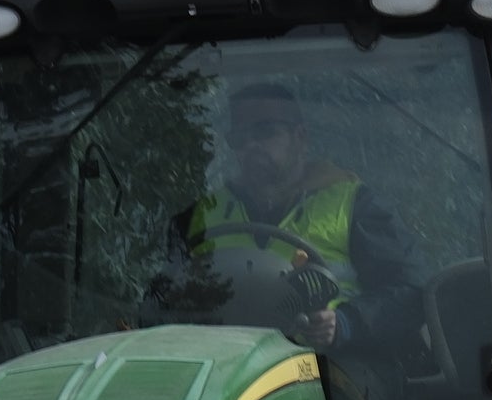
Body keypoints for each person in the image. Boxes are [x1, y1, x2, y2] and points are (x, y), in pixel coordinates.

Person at [177, 80, 422, 355]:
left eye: (265, 132)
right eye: (240, 139)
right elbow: (169, 294)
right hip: (229, 366)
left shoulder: (355, 205)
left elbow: (409, 293)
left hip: (338, 367)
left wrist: (344, 322)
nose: (252, 146)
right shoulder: (204, 214)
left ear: (301, 137)